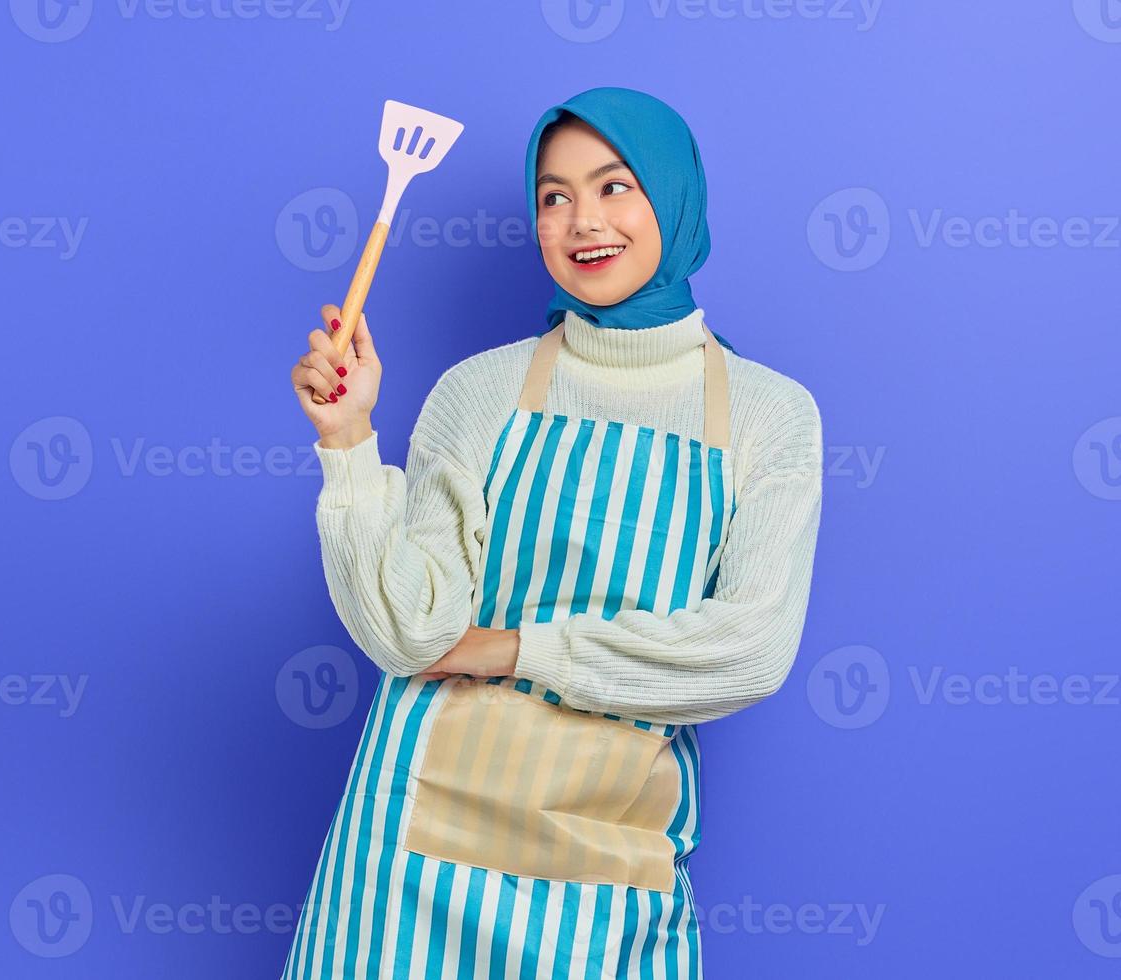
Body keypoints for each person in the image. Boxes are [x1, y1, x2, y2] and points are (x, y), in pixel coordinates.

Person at [282, 85, 823, 980]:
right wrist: (347, 443)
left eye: (615, 187)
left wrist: (512, 649)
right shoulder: (479, 390)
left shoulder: (770, 415)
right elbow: (410, 632)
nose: (583, 221)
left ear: (675, 198)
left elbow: (750, 650)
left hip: (605, 852)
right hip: (412, 846)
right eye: (554, 196)